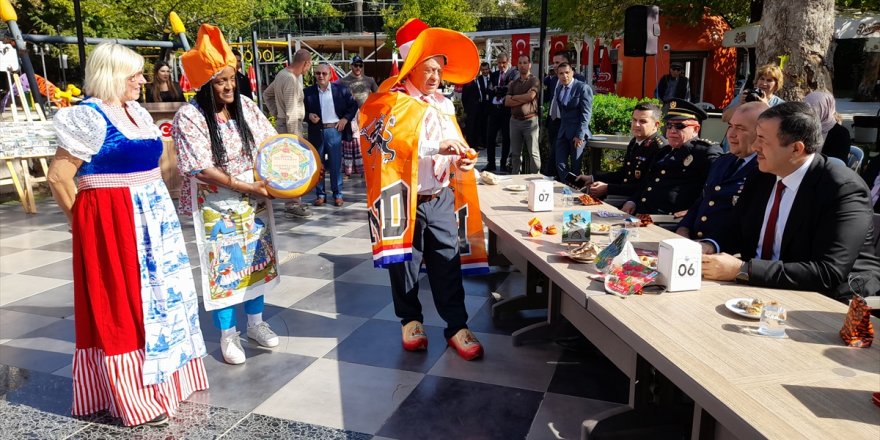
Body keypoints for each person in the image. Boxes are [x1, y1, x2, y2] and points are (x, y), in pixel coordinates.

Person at [47, 43, 207, 427]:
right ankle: (134, 396)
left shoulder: (134, 110)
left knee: (161, 297)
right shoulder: (87, 116)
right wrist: (85, 227)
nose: (142, 79)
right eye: (133, 73)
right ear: (112, 75)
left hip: (153, 220)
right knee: (126, 304)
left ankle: (168, 381)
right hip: (115, 223)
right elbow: (59, 177)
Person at [360, 21, 484, 360]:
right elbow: (388, 145)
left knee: (448, 261)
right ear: (411, 68)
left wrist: (463, 159)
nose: (435, 77)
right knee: (406, 264)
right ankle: (410, 321)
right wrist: (436, 147)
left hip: (441, 196)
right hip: (402, 197)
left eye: (439, 71)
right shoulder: (391, 101)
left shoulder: (444, 104)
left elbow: (455, 143)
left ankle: (457, 326)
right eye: (428, 69)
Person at [173, 24, 282, 365]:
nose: (229, 86)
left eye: (231, 79)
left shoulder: (246, 107)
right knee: (225, 269)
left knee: (257, 262)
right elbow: (201, 168)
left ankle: (256, 324)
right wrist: (247, 186)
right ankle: (227, 334)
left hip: (253, 199)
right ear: (204, 85)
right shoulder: (189, 117)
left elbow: (270, 142)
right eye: (220, 81)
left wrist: (289, 175)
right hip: (216, 204)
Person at [702, 102, 880, 299]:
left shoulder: (842, 189)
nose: (754, 147)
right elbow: (736, 229)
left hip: (826, 302)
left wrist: (744, 269)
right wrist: (710, 245)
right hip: (757, 290)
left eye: (762, 139)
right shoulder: (762, 175)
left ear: (796, 149)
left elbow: (828, 272)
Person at [676, 101, 769, 253]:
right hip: (694, 246)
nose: (730, 134)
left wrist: (711, 245)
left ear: (759, 134)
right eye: (731, 126)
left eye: (740, 128)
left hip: (725, 254)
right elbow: (703, 200)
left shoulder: (765, 170)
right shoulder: (723, 161)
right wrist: (683, 228)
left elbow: (747, 226)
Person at [622, 99, 722, 215]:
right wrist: (632, 201)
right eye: (669, 125)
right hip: (642, 214)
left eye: (679, 126)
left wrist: (692, 215)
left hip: (668, 221)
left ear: (696, 129)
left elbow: (715, 191)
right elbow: (647, 183)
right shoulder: (665, 152)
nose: (672, 131)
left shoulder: (705, 152)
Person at [576, 102, 667, 202]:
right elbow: (623, 174)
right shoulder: (635, 142)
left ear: (656, 124)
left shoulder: (660, 148)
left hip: (638, 200)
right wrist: (592, 178)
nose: (636, 124)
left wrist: (608, 188)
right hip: (624, 194)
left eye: (643, 121)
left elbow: (646, 186)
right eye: (634, 120)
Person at [263, 48, 313, 218]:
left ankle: (294, 200)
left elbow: (266, 94)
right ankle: (292, 203)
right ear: (306, 63)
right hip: (291, 126)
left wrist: (276, 112)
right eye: (310, 64)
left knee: (293, 166)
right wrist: (294, 142)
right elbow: (292, 112)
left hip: (285, 122)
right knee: (294, 165)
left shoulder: (283, 74)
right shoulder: (290, 79)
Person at [304, 62, 357, 207]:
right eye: (317, 73)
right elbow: (301, 110)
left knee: (335, 164)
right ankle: (320, 194)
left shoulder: (340, 90)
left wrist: (345, 119)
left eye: (324, 73)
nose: (320, 76)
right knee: (318, 165)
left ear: (329, 75)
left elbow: (353, 105)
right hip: (316, 131)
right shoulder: (308, 92)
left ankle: (337, 194)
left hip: (334, 131)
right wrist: (308, 116)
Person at [544, 51, 585, 177]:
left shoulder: (579, 83)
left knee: (568, 162)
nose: (555, 66)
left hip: (571, 128)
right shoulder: (554, 81)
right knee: (557, 158)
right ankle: (561, 181)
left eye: (558, 62)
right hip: (555, 123)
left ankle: (564, 183)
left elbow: (585, 112)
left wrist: (580, 133)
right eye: (554, 63)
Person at [337, 55, 378, 178]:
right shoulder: (343, 81)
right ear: (351, 66)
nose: (358, 67)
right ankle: (348, 171)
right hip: (350, 116)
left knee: (366, 142)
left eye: (360, 65)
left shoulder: (369, 80)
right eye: (356, 65)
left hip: (366, 116)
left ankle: (365, 169)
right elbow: (335, 94)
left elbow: (379, 94)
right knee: (349, 144)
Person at [553, 62, 593, 181]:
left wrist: (579, 135)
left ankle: (574, 190)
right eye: (561, 73)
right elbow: (562, 111)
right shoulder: (559, 88)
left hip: (577, 134)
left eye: (567, 72)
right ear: (557, 75)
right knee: (559, 163)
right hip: (563, 132)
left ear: (572, 73)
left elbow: (586, 113)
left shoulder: (582, 88)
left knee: (576, 167)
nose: (564, 76)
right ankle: (568, 185)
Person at [505, 54, 541, 174]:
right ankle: (516, 177)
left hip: (530, 121)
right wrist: (523, 98)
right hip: (514, 121)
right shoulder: (513, 84)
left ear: (529, 65)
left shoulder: (534, 80)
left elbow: (531, 96)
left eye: (525, 63)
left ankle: (535, 177)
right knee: (515, 153)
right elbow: (507, 102)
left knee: (533, 152)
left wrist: (514, 97)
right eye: (520, 63)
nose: (522, 65)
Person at [483, 53, 514, 172]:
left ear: (508, 61)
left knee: (506, 138)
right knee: (490, 138)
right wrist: (501, 89)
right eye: (499, 63)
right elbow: (489, 90)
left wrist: (498, 89)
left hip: (506, 112)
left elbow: (510, 89)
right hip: (493, 112)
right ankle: (491, 163)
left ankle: (503, 164)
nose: (501, 65)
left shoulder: (513, 74)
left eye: (503, 63)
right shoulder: (494, 75)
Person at [804, 90, 851, 163]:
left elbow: (837, 164)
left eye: (813, 109)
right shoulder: (803, 129)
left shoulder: (840, 134)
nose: (806, 113)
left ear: (825, 109)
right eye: (805, 109)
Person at [461, 62, 490, 151]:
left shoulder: (477, 80)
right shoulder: (468, 82)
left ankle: (476, 144)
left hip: (479, 108)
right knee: (470, 127)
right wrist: (467, 109)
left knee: (477, 126)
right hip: (471, 109)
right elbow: (464, 97)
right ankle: (471, 145)